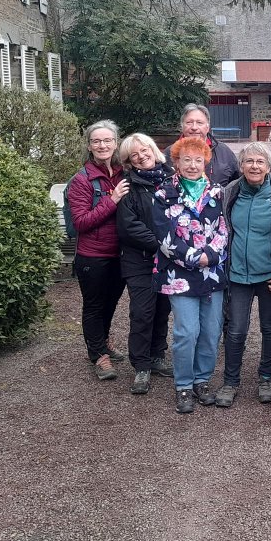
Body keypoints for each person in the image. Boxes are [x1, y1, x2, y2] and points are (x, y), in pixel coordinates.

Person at [152, 136, 229, 414]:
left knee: (210, 331)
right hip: (179, 274)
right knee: (187, 332)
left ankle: (202, 380)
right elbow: (164, 237)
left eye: (198, 160)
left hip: (213, 273)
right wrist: (196, 258)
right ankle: (183, 384)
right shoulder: (163, 194)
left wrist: (212, 254)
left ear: (206, 162)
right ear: (176, 162)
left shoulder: (217, 192)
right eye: (187, 160)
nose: (193, 165)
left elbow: (224, 228)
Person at [217, 143, 271, 408]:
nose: (254, 166)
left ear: (268, 166)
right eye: (249, 161)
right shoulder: (230, 192)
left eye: (260, 161)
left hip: (270, 275)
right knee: (236, 330)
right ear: (241, 166)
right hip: (238, 274)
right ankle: (230, 381)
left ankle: (266, 377)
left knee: (270, 329)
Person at [69, 120, 129, 382]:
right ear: (89, 146)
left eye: (107, 140)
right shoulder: (82, 180)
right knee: (94, 306)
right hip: (93, 256)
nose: (102, 145)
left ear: (116, 143)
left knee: (111, 302)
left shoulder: (123, 173)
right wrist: (112, 200)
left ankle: (102, 341)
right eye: (96, 141)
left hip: (121, 252)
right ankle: (97, 355)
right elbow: (81, 222)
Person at [116, 133, 174, 394]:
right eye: (134, 155)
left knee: (162, 310)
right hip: (140, 261)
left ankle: (157, 356)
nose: (141, 156)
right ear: (129, 162)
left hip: (169, 262)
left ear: (153, 149)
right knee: (142, 313)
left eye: (144, 150)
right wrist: (161, 244)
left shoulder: (172, 179)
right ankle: (141, 365)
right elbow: (128, 226)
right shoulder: (129, 186)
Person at [165, 103, 240, 186]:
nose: (194, 127)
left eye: (199, 123)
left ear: (207, 127)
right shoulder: (169, 153)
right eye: (189, 122)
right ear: (182, 126)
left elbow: (237, 183)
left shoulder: (224, 152)